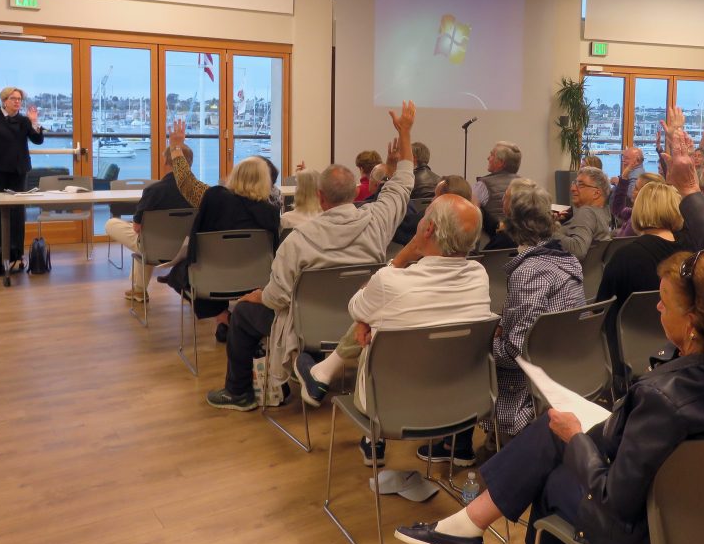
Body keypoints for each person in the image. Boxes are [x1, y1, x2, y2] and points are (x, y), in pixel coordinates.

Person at [395, 250, 704, 544]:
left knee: (553, 473)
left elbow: (615, 501)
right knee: (555, 431)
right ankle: (465, 526)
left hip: (656, 533)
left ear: (695, 321)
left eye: (665, 303)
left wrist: (577, 438)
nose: (658, 310)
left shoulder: (664, 397)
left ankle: (465, 527)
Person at [205, 101, 416, 411]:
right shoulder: (377, 221)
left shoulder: (297, 241)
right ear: (352, 194)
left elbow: (277, 298)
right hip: (357, 320)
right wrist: (406, 134)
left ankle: (239, 393)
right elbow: (402, 184)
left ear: (320, 197)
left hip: (308, 327)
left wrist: (255, 297)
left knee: (243, 316)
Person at [297, 194, 494, 465]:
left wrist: (400, 258)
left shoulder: (390, 281)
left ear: (428, 229)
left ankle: (329, 379)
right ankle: (329, 373)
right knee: (386, 320)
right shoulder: (480, 277)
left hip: (387, 407)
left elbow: (356, 307)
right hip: (459, 403)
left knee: (374, 323)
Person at [418, 179, 585, 466]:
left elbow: (514, 352)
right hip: (563, 372)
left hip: (529, 386)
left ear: (512, 224)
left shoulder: (530, 271)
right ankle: (482, 448)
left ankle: (457, 445)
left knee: (461, 353)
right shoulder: (569, 262)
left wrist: (485, 342)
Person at [165, 153, 280, 339]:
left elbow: (188, 188)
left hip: (211, 278)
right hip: (256, 280)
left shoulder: (214, 198)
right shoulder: (271, 213)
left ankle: (222, 316)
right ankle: (240, 320)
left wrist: (177, 150)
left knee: (179, 273)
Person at [105, 143, 194, 301]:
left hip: (155, 249)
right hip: (186, 250)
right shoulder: (198, 192)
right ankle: (138, 290)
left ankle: (139, 289)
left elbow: (137, 228)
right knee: (148, 239)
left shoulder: (154, 191)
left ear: (166, 162)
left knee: (113, 224)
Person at [0, 86, 46, 275]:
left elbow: (37, 140)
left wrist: (34, 122)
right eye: (14, 98)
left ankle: (17, 254)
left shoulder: (23, 121)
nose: (17, 102)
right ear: (4, 100)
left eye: (20, 99)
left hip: (18, 173)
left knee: (17, 215)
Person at [554, 166, 612, 260]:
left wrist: (548, 232)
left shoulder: (586, 212)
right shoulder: (604, 212)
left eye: (580, 185)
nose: (572, 188)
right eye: (574, 183)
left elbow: (578, 249)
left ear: (596, 193)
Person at [472, 141, 521, 235]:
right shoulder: (526, 185)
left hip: (491, 245)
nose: (488, 158)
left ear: (501, 163)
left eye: (491, 155)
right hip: (520, 243)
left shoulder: (483, 185)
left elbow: (471, 215)